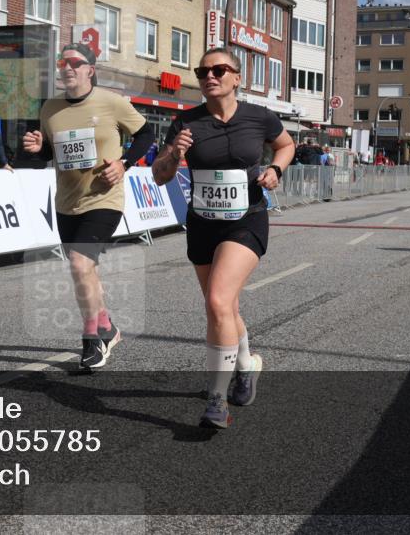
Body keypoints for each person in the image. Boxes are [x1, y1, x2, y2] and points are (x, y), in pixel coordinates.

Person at [152, 47, 295, 428]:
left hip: (246, 219)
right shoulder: (186, 122)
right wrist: (175, 154)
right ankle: (247, 365)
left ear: (236, 77)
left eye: (218, 70)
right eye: (203, 72)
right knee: (223, 307)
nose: (209, 77)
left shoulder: (259, 117)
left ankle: (217, 399)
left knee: (218, 299)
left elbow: (286, 145)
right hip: (202, 223)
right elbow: (159, 176)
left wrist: (276, 170)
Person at [22, 42, 154, 370]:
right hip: (67, 202)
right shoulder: (50, 108)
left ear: (90, 70)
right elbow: (49, 153)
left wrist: (124, 163)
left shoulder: (111, 102)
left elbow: (146, 135)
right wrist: (38, 149)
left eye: (75, 63)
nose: (67, 67)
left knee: (80, 264)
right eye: (62, 62)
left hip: (104, 199)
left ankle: (93, 339)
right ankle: (107, 326)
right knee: (86, 270)